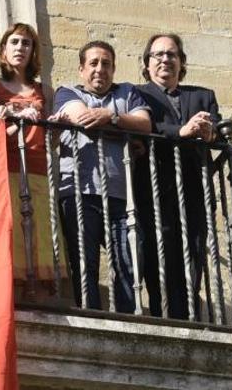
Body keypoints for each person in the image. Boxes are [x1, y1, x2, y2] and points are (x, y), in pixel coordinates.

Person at [53, 41, 151, 312]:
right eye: (94, 63)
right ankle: (93, 319)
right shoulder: (67, 92)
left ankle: (126, 320)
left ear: (114, 68)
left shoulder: (128, 92)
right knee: (85, 264)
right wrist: (123, 129)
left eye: (106, 64)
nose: (100, 69)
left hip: (121, 195)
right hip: (79, 192)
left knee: (131, 260)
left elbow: (144, 124)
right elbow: (82, 119)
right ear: (82, 69)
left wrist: (112, 117)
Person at [135, 34, 220, 320]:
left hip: (195, 191)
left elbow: (217, 129)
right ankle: (166, 320)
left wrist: (210, 133)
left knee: (193, 263)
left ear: (181, 62)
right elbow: (144, 127)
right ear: (147, 63)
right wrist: (181, 132)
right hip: (154, 192)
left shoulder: (202, 96)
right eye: (158, 55)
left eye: (171, 55)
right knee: (159, 264)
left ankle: (189, 323)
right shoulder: (136, 94)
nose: (165, 60)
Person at [0, 23, 61, 289]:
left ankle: (42, 294)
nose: (20, 48)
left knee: (41, 234)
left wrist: (55, 125)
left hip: (39, 166)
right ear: (3, 50)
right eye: (14, 42)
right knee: (14, 231)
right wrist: (17, 122)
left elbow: (53, 140)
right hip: (8, 166)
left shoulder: (44, 91)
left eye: (26, 43)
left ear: (33, 52)